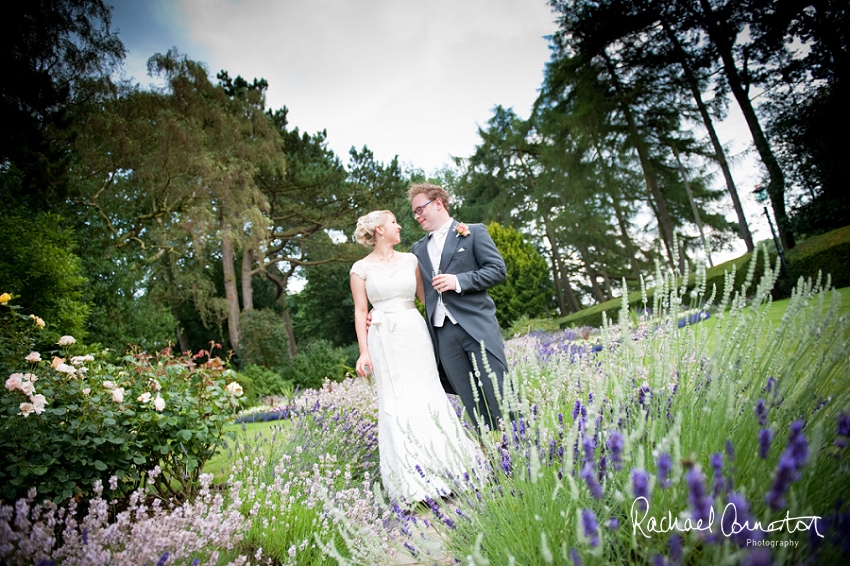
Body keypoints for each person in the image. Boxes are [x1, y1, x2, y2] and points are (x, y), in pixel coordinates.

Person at [350, 210, 482, 504]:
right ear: (380, 230)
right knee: (396, 403)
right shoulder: (360, 269)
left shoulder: (411, 260)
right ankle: (411, 483)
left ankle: (452, 470)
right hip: (383, 339)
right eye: (394, 222)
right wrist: (364, 352)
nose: (400, 226)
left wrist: (459, 323)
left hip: (414, 333)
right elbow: (360, 311)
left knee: (428, 395)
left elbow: (427, 299)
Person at [407, 183, 509, 431]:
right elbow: (407, 287)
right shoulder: (417, 250)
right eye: (414, 212)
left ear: (439, 203)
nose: (418, 216)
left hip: (476, 327)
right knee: (471, 402)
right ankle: (493, 457)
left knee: (499, 395)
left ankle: (520, 449)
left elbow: (497, 271)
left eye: (421, 209)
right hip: (443, 335)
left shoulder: (473, 232)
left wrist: (458, 281)